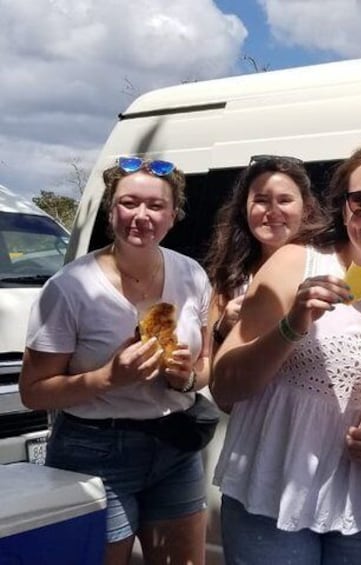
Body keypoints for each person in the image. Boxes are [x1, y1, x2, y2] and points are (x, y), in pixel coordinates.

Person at [211, 137, 361, 564]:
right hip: (272, 491)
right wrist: (292, 324)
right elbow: (224, 387)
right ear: (342, 206)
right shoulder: (296, 263)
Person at [20, 156, 212, 565]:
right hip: (95, 447)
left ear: (173, 215)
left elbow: (205, 365)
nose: (141, 216)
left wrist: (184, 378)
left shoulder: (193, 275)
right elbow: (33, 392)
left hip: (175, 445)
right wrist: (108, 377)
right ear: (111, 211)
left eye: (156, 206)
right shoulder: (70, 288)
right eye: (129, 203)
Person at [205, 155, 325, 353]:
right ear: (244, 209)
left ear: (307, 209)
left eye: (285, 200)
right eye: (261, 200)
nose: (273, 211)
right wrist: (223, 328)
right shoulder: (231, 274)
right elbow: (212, 371)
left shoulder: (326, 266)